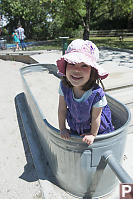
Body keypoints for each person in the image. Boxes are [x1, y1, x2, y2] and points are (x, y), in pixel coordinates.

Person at [57, 39, 114, 145]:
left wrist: (92, 134)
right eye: (72, 64)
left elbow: (96, 117)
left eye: (84, 65)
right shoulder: (64, 86)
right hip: (76, 123)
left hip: (98, 128)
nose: (77, 70)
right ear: (65, 67)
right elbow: (62, 109)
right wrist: (62, 128)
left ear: (92, 71)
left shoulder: (96, 94)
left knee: (99, 145)